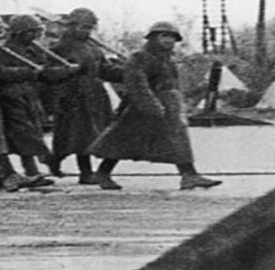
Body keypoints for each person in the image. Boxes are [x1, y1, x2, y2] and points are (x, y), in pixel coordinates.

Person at [87, 21, 220, 190]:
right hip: (145, 106)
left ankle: (189, 175)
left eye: (172, 37)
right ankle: (103, 173)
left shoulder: (168, 59)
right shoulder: (139, 58)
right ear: (153, 38)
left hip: (169, 106)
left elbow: (172, 84)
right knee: (123, 140)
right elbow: (137, 83)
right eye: (163, 36)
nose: (168, 40)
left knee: (176, 139)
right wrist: (151, 105)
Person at [47, 8, 121, 183]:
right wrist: (68, 70)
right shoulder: (60, 47)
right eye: (82, 27)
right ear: (71, 26)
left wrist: (125, 72)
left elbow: (104, 70)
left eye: (89, 27)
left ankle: (58, 161)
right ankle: (84, 172)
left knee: (93, 134)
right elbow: (47, 73)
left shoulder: (94, 48)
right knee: (78, 135)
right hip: (72, 96)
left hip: (95, 95)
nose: (86, 31)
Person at [0, 15, 57, 186]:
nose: (34, 36)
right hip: (10, 96)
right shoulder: (3, 49)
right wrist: (27, 72)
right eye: (30, 32)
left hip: (29, 96)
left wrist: (60, 72)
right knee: (24, 134)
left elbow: (44, 70)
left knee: (31, 132)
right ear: (18, 33)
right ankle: (32, 170)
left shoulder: (33, 50)